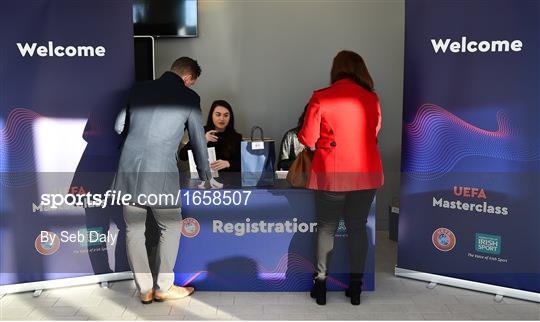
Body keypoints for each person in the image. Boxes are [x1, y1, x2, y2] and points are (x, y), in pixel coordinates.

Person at [112, 57, 214, 304]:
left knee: (134, 229)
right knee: (171, 227)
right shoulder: (189, 98)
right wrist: (205, 175)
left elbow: (118, 126)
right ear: (188, 79)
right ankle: (164, 286)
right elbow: (199, 140)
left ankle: (145, 289)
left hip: (128, 170)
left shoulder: (139, 88)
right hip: (160, 174)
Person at [298, 50, 384, 306]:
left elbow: (307, 138)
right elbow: (375, 132)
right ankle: (355, 288)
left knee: (326, 228)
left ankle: (321, 285)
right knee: (358, 228)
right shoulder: (372, 98)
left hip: (332, 174)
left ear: (336, 69)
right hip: (366, 174)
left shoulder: (321, 97)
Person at [178, 100, 242, 181]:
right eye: (218, 114)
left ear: (230, 117)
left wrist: (228, 164)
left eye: (226, 115)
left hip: (229, 181)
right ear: (212, 115)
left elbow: (243, 164)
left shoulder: (236, 137)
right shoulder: (201, 132)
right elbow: (182, 156)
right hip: (202, 182)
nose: (222, 118)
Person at [277, 105, 307, 170]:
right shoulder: (290, 136)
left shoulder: (322, 137)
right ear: (304, 117)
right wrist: (302, 163)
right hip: (294, 177)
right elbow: (281, 165)